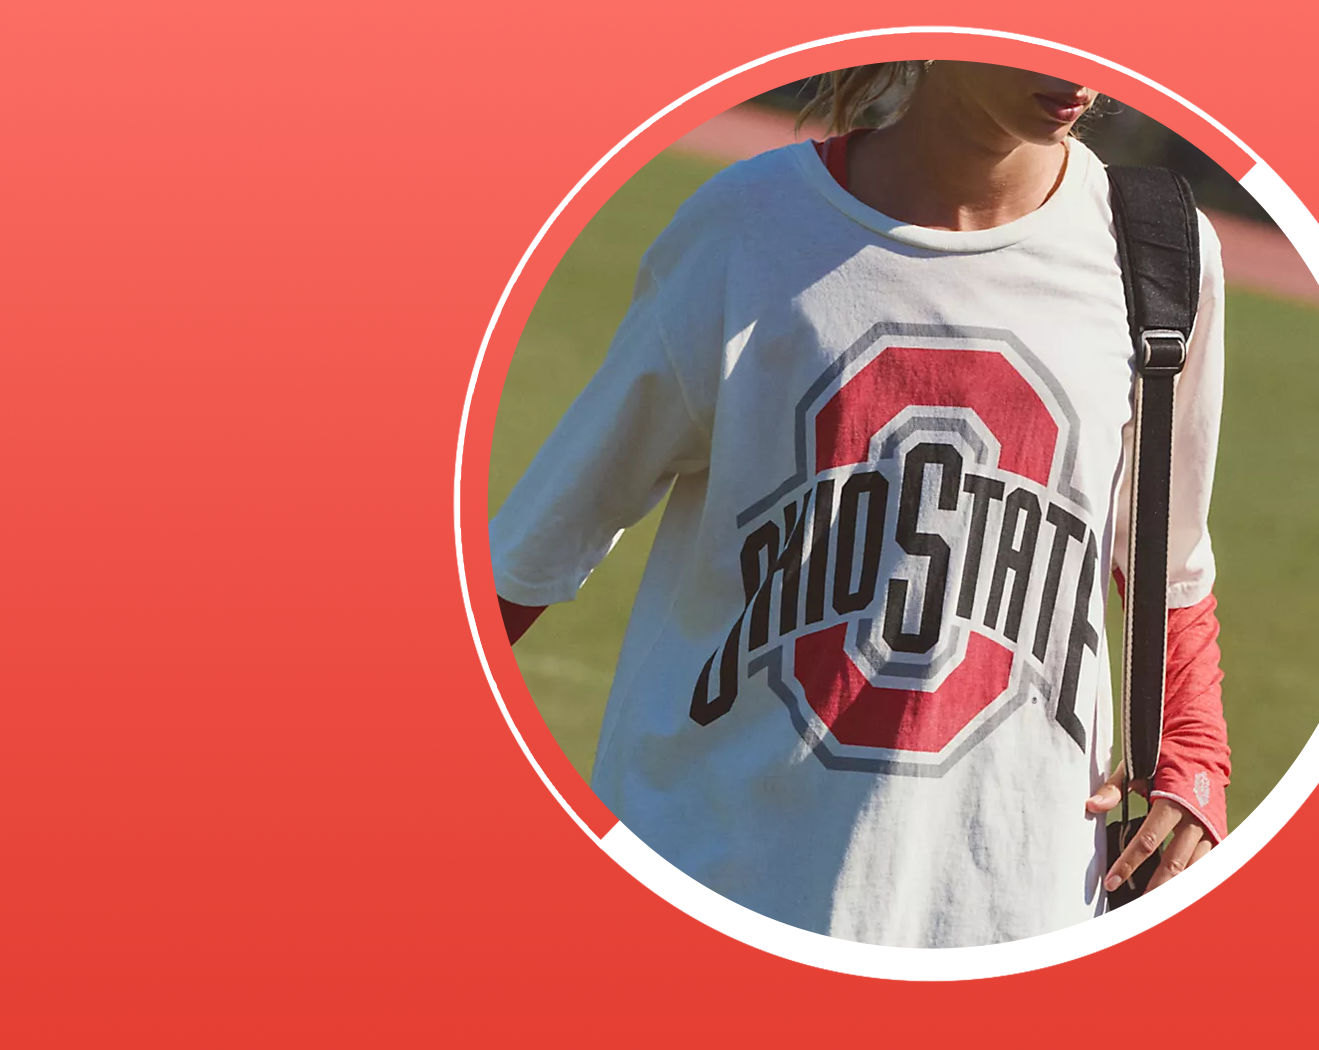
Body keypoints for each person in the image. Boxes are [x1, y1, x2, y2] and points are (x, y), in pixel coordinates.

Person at [492, 61, 1232, 948]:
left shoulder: (1160, 251)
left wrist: (1195, 748)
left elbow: (1168, 558)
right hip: (719, 875)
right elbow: (538, 542)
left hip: (1010, 908)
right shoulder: (750, 227)